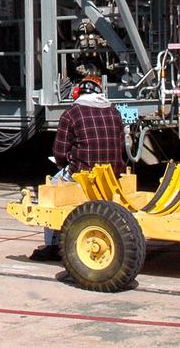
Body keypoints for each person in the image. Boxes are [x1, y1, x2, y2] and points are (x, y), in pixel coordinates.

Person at [30, 77, 126, 262]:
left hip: (83, 173)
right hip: (112, 174)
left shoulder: (71, 113)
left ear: (78, 93)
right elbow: (120, 146)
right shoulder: (114, 111)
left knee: (51, 190)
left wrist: (64, 163)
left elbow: (59, 151)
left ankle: (52, 246)